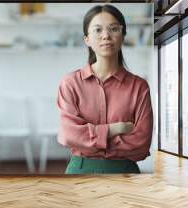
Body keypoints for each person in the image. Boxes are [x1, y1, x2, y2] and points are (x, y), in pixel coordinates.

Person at [57, 4, 153, 174]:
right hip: (79, 170)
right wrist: (117, 128)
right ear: (87, 39)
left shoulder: (139, 87)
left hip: (125, 173)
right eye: (98, 30)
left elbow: (141, 144)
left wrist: (89, 141)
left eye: (114, 29)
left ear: (123, 36)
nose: (106, 36)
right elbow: (69, 135)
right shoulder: (70, 83)